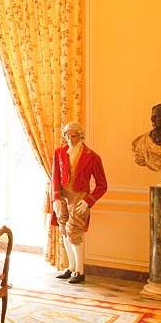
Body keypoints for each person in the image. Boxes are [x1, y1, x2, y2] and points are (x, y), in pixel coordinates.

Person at [51, 122, 107, 284]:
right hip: (62, 195)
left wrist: (88, 200)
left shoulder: (92, 156)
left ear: (80, 135)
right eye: (67, 136)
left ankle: (80, 271)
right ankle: (71, 267)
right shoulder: (60, 152)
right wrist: (56, 198)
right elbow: (55, 176)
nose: (70, 139)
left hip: (79, 197)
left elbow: (102, 185)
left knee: (74, 230)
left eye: (73, 136)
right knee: (63, 229)